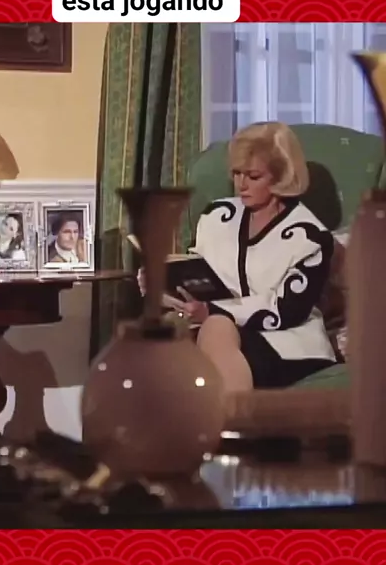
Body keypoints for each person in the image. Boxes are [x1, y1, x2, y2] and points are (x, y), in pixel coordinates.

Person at [144, 122, 338, 394]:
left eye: (253, 176)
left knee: (215, 327)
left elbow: (288, 311)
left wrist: (213, 311)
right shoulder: (216, 216)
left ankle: (231, 415)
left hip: (289, 344)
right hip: (217, 332)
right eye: (236, 173)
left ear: (281, 177)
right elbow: (197, 278)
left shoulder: (310, 236)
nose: (241, 185)